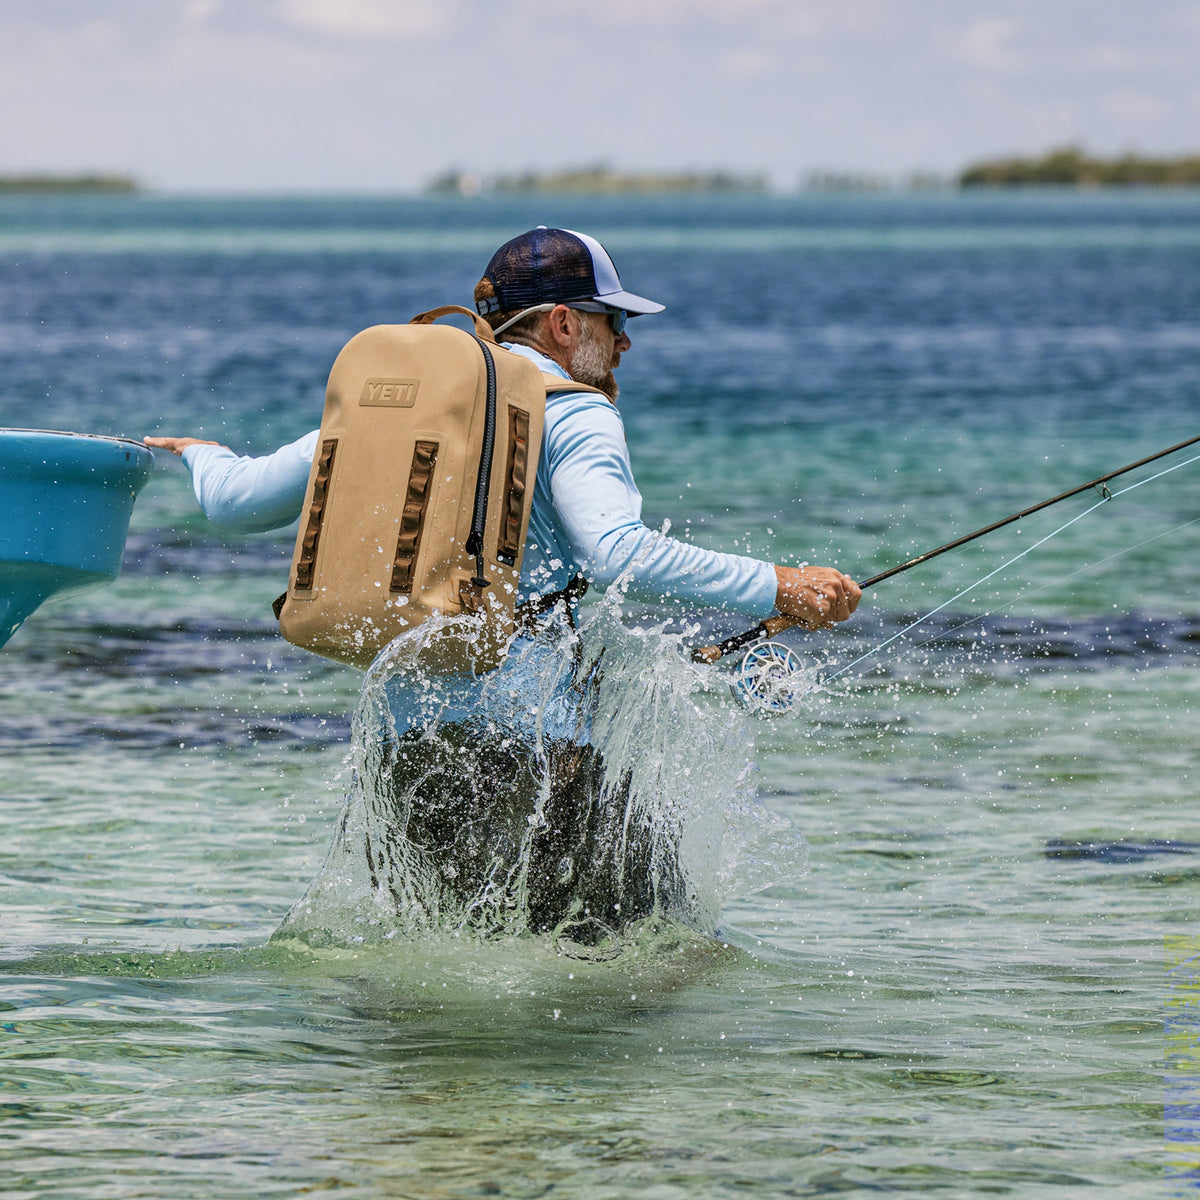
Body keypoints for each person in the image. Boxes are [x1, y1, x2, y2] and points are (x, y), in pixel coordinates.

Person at [146, 227, 861, 940]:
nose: (624, 346)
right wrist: (778, 586)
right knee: (664, 961)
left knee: (429, 998)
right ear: (562, 324)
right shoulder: (576, 411)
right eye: (613, 324)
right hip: (538, 757)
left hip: (407, 753)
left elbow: (236, 502)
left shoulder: (399, 412)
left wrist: (201, 455)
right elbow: (617, 552)